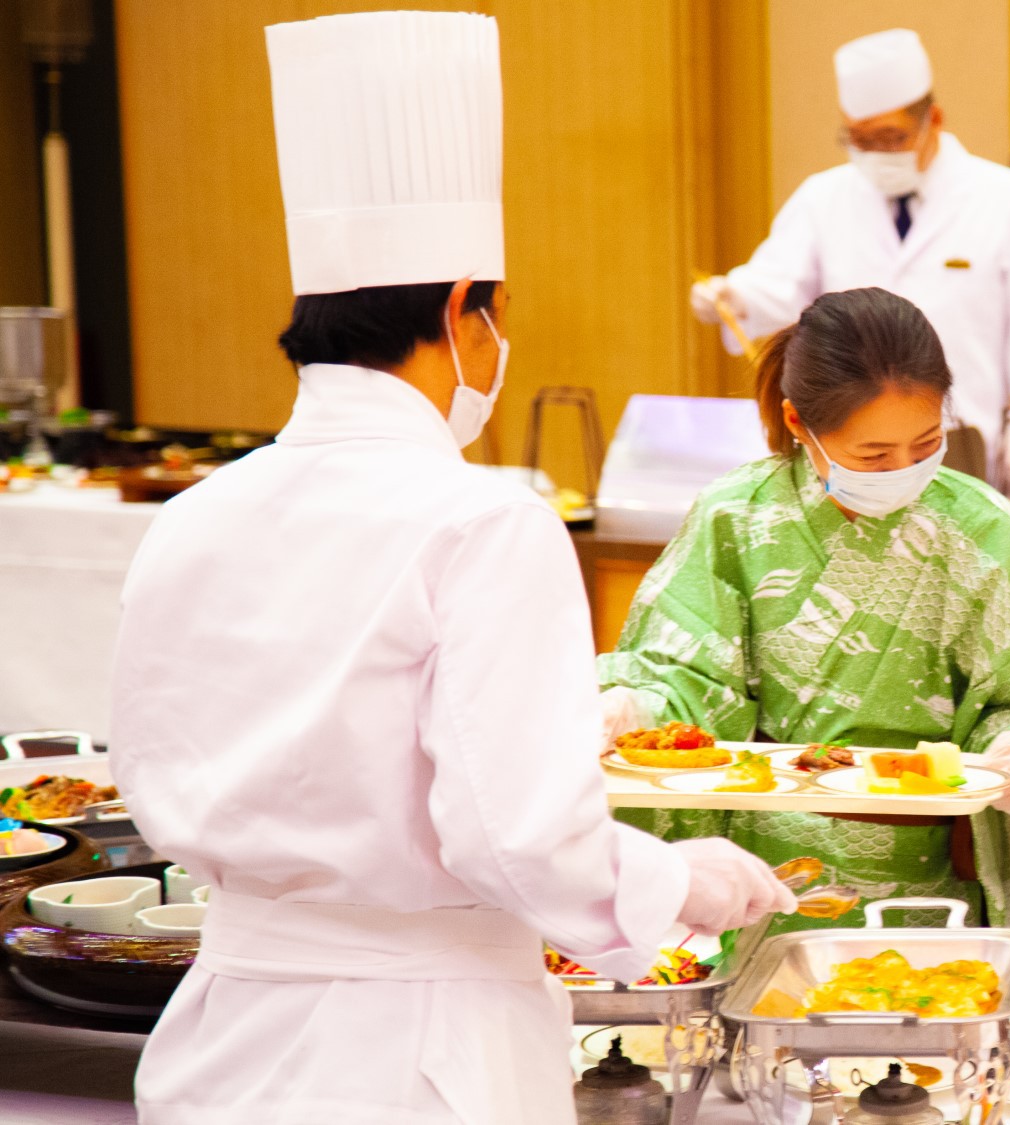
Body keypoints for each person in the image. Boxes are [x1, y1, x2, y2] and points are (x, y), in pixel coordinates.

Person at [108, 15, 793, 1123]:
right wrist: (683, 883)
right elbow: (516, 835)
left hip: (218, 1039)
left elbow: (148, 767)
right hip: (417, 1052)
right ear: (458, 309)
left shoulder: (192, 517)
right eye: (497, 315)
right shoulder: (483, 522)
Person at [601, 288, 1010, 938]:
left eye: (926, 442)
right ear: (798, 424)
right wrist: (635, 709)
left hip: (924, 884)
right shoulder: (736, 515)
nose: (903, 469)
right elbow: (681, 674)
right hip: (758, 873)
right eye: (873, 455)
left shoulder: (981, 528)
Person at [692, 28, 1010, 497]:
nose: (875, 154)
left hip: (955, 432)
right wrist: (733, 295)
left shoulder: (1003, 197)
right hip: (851, 438)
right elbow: (779, 288)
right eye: (859, 140)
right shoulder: (824, 197)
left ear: (933, 119)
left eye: (890, 137)